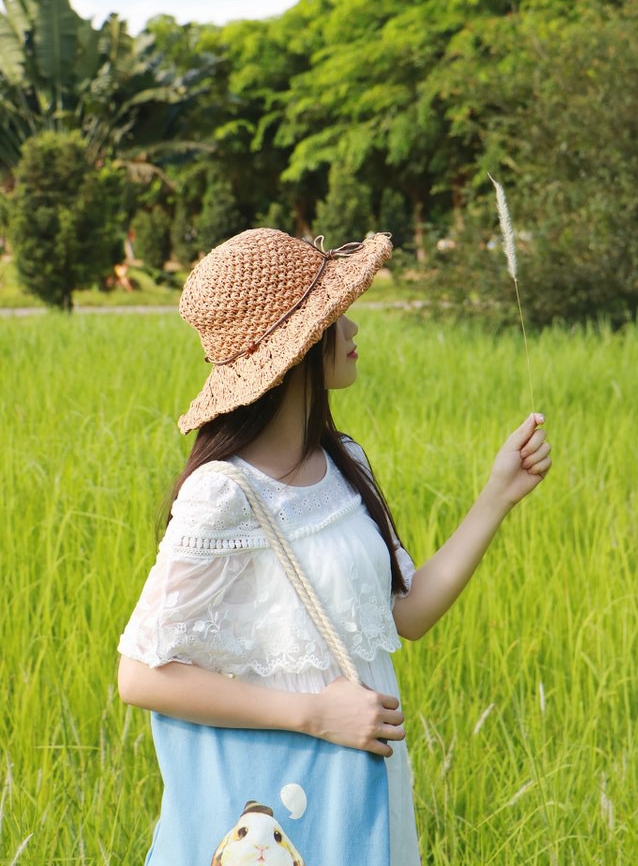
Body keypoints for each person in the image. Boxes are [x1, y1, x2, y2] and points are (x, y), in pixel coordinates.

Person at [117, 228, 552, 865]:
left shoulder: (344, 460)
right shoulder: (223, 494)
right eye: (334, 313)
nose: (352, 329)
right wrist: (314, 714)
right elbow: (140, 676)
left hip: (360, 784)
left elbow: (406, 615)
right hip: (284, 796)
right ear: (298, 350)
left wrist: (497, 495)